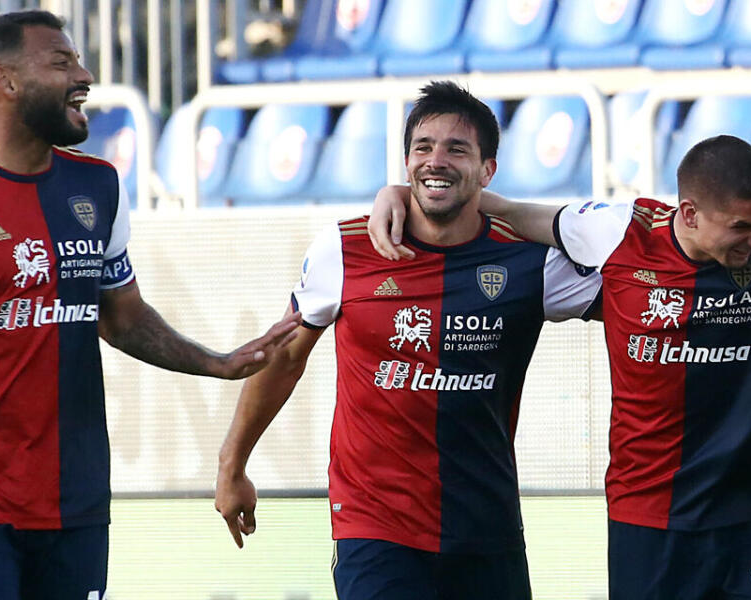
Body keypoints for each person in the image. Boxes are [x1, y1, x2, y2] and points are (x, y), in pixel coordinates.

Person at [0, 10, 300, 599]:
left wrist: (215, 362)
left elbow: (122, 315)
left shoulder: (98, 186)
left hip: (75, 497)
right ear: (4, 81)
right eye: (62, 62)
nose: (83, 75)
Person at [368, 134, 751, 599]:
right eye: (740, 228)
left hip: (748, 520)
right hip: (646, 521)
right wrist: (401, 195)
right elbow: (502, 211)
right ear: (689, 213)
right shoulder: (617, 232)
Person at [214, 81, 601, 600]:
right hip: (376, 529)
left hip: (486, 527)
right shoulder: (345, 249)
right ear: (405, 160)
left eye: (456, 150)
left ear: (488, 171)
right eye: (423, 148)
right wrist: (232, 465)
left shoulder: (531, 262)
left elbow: (630, 274)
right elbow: (284, 359)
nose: (435, 161)